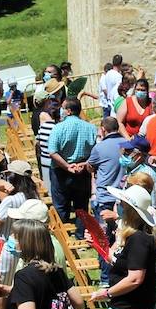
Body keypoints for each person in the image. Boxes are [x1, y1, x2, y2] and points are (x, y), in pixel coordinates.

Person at [46, 97, 96, 236]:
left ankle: (62, 235)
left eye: (63, 107)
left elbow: (52, 152)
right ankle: (81, 234)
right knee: (81, 205)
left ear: (68, 111)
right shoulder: (91, 127)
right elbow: (96, 152)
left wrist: (67, 166)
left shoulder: (58, 128)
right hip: (82, 171)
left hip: (60, 170)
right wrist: (83, 164)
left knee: (61, 204)